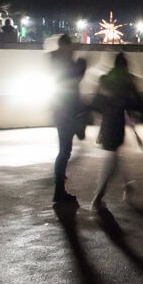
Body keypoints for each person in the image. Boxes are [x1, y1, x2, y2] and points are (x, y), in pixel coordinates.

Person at [89, 52, 143, 212]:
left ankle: (127, 185)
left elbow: (96, 104)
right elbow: (133, 105)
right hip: (117, 123)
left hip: (107, 122)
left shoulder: (105, 79)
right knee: (112, 161)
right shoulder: (127, 81)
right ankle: (97, 198)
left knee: (115, 156)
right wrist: (136, 131)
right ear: (125, 65)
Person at [49, 34, 87, 205]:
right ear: (65, 46)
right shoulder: (63, 64)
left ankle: (60, 188)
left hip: (63, 112)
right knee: (64, 152)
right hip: (66, 112)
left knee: (64, 151)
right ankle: (59, 191)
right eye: (70, 46)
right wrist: (81, 67)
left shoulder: (59, 62)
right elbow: (72, 82)